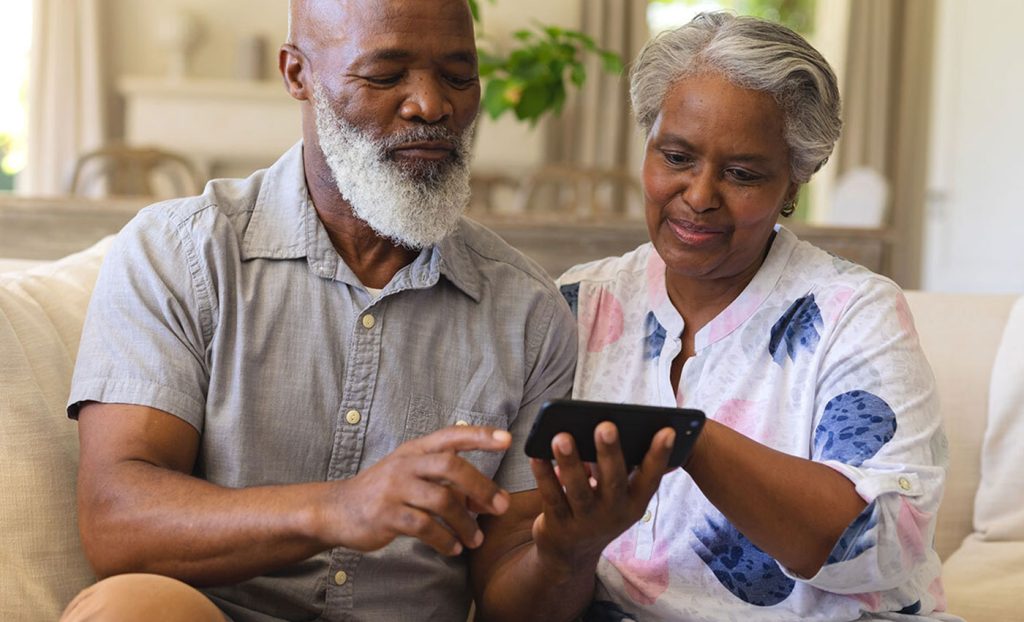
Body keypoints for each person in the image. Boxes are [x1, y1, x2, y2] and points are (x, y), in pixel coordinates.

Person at [60, 1, 576, 620]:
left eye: (458, 76)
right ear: (296, 74)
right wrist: (337, 507)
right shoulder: (179, 253)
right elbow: (117, 521)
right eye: (386, 76)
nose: (430, 105)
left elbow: (510, 598)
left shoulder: (529, 311)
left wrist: (571, 550)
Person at [471, 12, 961, 622]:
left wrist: (688, 439)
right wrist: (569, 550)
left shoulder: (855, 314)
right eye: (676, 156)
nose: (700, 196)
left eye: (742, 174)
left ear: (793, 184)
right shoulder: (578, 305)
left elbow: (887, 546)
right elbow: (507, 596)